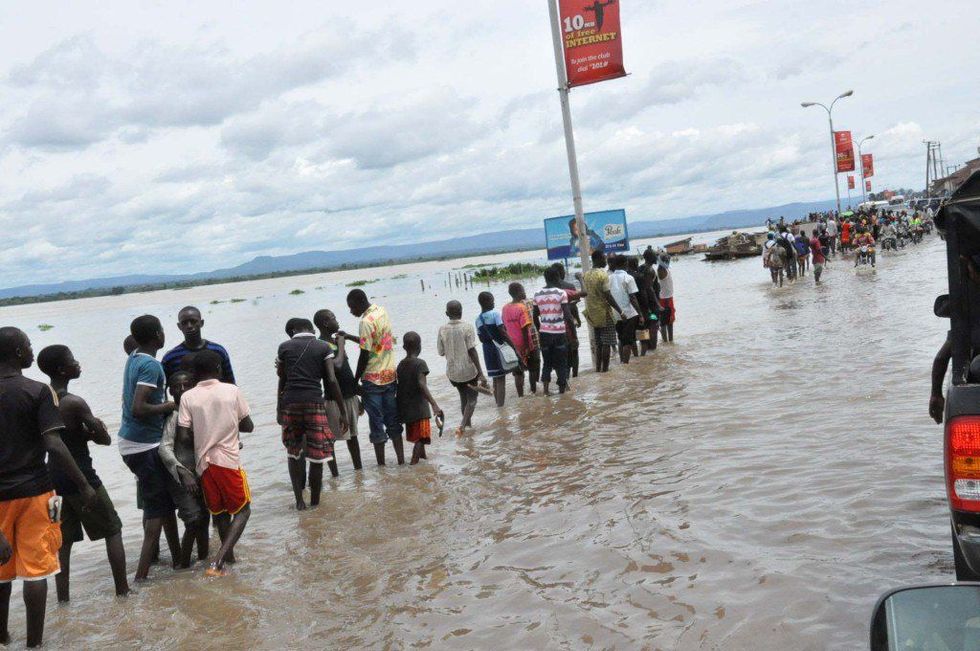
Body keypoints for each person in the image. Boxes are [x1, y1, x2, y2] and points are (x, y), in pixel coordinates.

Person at [0, 328, 98, 647]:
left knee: (1, 570)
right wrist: (84, 486)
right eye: (28, 346)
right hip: (34, 492)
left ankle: (2, 635)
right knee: (36, 571)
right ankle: (35, 644)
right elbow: (54, 445)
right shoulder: (37, 391)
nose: (32, 351)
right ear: (16, 353)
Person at [36, 346, 128, 602]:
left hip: (53, 480)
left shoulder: (41, 399)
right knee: (113, 530)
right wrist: (95, 430)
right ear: (63, 370)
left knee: (62, 544)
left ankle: (63, 600)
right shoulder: (74, 402)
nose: (78, 364)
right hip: (82, 477)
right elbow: (104, 439)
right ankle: (123, 591)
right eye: (73, 361)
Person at [175, 351, 254, 577]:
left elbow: (182, 437)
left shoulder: (188, 397)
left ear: (195, 374)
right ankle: (218, 561)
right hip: (227, 460)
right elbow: (248, 425)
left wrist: (205, 432)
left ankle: (229, 560)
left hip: (204, 464)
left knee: (220, 513)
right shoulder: (232, 391)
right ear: (219, 369)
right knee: (243, 510)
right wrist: (225, 427)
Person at [119, 315, 180, 581]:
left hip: (133, 442)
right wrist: (168, 406)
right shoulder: (151, 366)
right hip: (143, 444)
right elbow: (139, 407)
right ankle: (140, 578)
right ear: (158, 335)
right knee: (156, 510)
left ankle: (178, 560)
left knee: (162, 503)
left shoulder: (134, 357)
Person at [277, 318, 347, 510]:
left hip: (290, 403)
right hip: (314, 403)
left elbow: (282, 380)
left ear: (293, 331)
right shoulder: (322, 347)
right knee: (317, 455)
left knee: (294, 452)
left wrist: (278, 408)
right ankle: (315, 503)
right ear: (311, 328)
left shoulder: (284, 348)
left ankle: (299, 501)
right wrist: (342, 411)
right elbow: (331, 380)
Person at [347, 290, 404, 465]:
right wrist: (349, 337)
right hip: (389, 375)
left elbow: (365, 354)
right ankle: (401, 461)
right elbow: (378, 344)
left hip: (372, 380)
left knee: (376, 423)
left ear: (359, 302)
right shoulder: (381, 311)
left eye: (351, 307)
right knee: (392, 420)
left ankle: (381, 466)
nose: (351, 312)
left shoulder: (365, 322)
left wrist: (355, 380)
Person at [159, 370, 209, 568]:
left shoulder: (198, 411)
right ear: (170, 391)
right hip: (181, 477)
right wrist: (182, 472)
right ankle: (182, 565)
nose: (182, 390)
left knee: (205, 518)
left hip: (202, 472)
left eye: (186, 385)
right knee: (194, 519)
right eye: (177, 387)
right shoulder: (173, 416)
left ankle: (203, 561)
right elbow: (164, 448)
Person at [314, 309, 363, 472]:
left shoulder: (334, 342)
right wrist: (342, 345)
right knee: (331, 439)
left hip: (350, 397)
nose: (337, 321)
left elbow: (347, 371)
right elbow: (338, 365)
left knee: (353, 436)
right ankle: (335, 475)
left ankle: (358, 471)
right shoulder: (322, 345)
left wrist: (358, 397)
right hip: (335, 400)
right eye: (334, 318)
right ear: (326, 323)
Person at [437, 301, 488, 436]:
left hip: (453, 372)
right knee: (472, 399)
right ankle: (463, 426)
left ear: (447, 314)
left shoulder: (442, 329)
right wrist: (481, 373)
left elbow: (441, 352)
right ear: (461, 312)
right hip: (468, 371)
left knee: (463, 399)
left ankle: (468, 426)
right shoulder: (467, 327)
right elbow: (472, 351)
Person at [396, 332, 443, 465]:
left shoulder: (400, 364)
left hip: (405, 407)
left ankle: (423, 460)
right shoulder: (420, 363)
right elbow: (421, 384)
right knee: (422, 437)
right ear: (420, 346)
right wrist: (434, 404)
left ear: (404, 347)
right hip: (419, 408)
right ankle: (413, 464)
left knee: (417, 436)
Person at [162, 306, 235, 383]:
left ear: (201, 323)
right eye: (184, 323)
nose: (189, 326)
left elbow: (231, 382)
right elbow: (162, 389)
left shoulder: (218, 351)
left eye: (193, 321)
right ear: (179, 326)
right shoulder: (171, 357)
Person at [532, 266, 576, 394]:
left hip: (544, 333)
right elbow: (568, 316)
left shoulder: (537, 294)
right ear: (557, 277)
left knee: (547, 362)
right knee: (562, 362)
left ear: (545, 278)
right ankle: (562, 391)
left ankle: (546, 391)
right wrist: (574, 336)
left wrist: (540, 329)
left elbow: (535, 315)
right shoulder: (560, 293)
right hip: (559, 333)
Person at [475, 292, 520, 407]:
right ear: (486, 302)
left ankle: (497, 405)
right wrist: (513, 347)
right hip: (498, 348)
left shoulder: (477, 320)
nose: (494, 302)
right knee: (501, 380)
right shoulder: (495, 314)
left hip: (487, 349)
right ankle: (501, 407)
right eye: (492, 300)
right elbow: (503, 332)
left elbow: (481, 338)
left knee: (495, 378)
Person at [582, 250, 623, 372]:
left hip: (592, 313)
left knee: (599, 342)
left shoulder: (586, 274)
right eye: (604, 258)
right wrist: (620, 311)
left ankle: (598, 369)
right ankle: (605, 370)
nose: (606, 261)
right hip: (604, 312)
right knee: (607, 342)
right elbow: (608, 296)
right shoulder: (602, 274)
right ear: (598, 259)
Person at [501, 283, 539, 395]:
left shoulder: (505, 308)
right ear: (519, 292)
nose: (525, 292)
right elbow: (525, 329)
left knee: (518, 372)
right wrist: (527, 347)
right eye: (523, 290)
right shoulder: (522, 308)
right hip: (526, 343)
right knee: (533, 368)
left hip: (512, 345)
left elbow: (504, 326)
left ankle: (520, 396)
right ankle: (533, 391)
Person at [608, 255, 645, 364]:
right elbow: (633, 298)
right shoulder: (628, 278)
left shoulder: (609, 278)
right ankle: (625, 364)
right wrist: (641, 314)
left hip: (616, 314)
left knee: (621, 339)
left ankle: (621, 362)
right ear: (626, 264)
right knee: (628, 341)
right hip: (629, 314)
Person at [555, 264, 583, 378]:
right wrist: (578, 319)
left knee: (562, 351)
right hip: (570, 321)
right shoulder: (569, 286)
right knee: (574, 348)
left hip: (555, 327)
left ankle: (565, 376)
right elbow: (573, 306)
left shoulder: (547, 290)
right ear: (561, 273)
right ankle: (575, 375)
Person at [657, 258, 676, 343]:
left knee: (665, 323)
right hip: (667, 299)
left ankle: (667, 342)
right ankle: (668, 341)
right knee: (668, 323)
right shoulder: (664, 271)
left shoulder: (664, 270)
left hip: (663, 299)